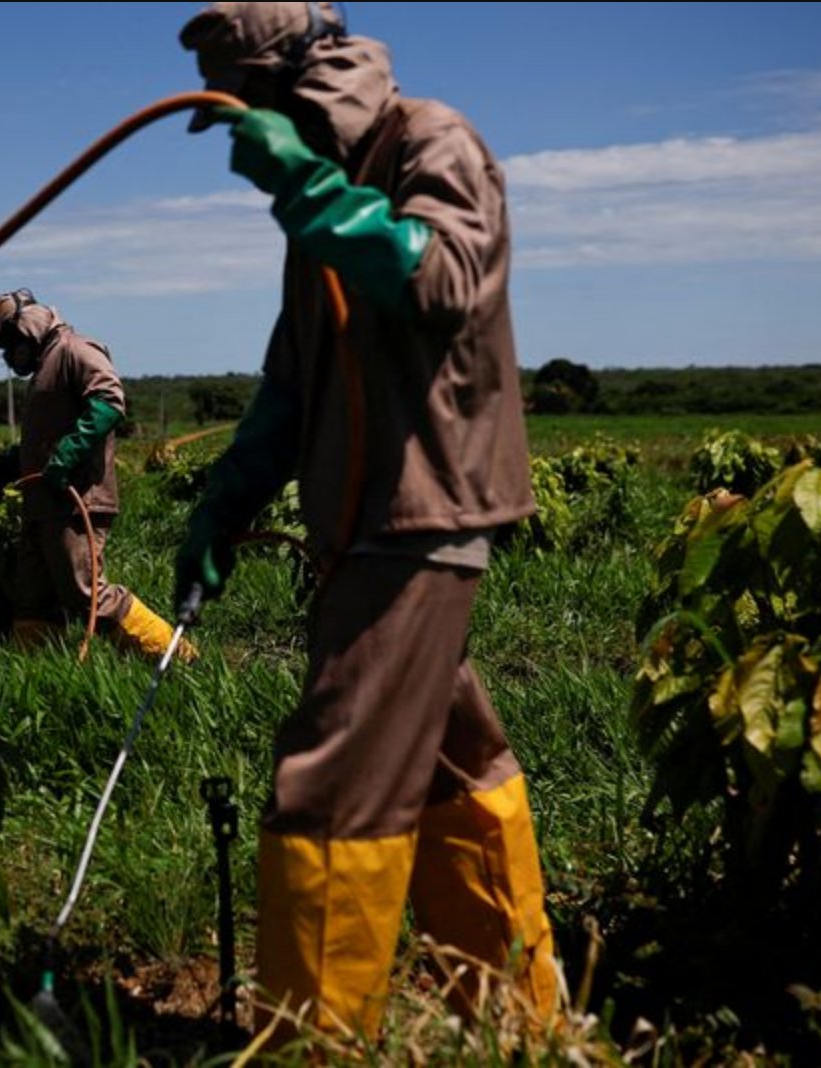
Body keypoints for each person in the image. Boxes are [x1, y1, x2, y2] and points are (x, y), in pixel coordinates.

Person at [174, 1, 559, 1039]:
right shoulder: (320, 210)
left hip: (423, 506)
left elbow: (439, 281)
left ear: (295, 86)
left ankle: (310, 1043)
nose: (244, 137)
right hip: (359, 517)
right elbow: (291, 384)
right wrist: (224, 504)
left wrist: (305, 184)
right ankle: (516, 1020)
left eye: (246, 105)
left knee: (331, 777)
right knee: (452, 758)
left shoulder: (430, 142)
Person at [0, 289, 191, 659]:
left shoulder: (75, 350)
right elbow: (42, 440)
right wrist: (5, 466)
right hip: (41, 503)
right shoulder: (43, 370)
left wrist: (67, 456)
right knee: (32, 594)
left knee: (83, 591)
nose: (8, 358)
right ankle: (36, 673)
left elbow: (109, 402)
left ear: (28, 327)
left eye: (9, 346)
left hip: (77, 500)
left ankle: (173, 655)